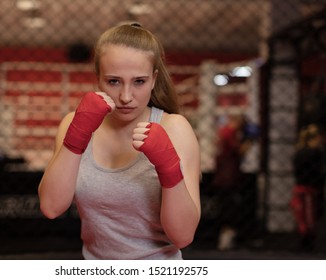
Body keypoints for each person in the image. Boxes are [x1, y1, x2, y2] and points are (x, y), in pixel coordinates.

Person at [38, 23, 201, 260]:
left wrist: (169, 167)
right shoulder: (73, 123)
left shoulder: (175, 128)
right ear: (99, 79)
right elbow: (51, 207)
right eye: (114, 81)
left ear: (154, 80)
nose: (126, 97)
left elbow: (183, 236)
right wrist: (76, 137)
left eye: (139, 82)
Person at [211, 113, 252, 250]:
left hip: (223, 174)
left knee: (226, 206)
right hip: (228, 176)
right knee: (230, 208)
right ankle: (226, 239)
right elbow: (240, 151)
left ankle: (224, 238)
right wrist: (250, 140)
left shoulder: (224, 131)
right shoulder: (230, 132)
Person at [290, 124, 325, 251]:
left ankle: (304, 239)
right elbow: (318, 173)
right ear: (315, 138)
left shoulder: (299, 152)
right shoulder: (315, 153)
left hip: (299, 187)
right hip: (309, 188)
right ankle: (308, 241)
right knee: (310, 217)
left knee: (301, 216)